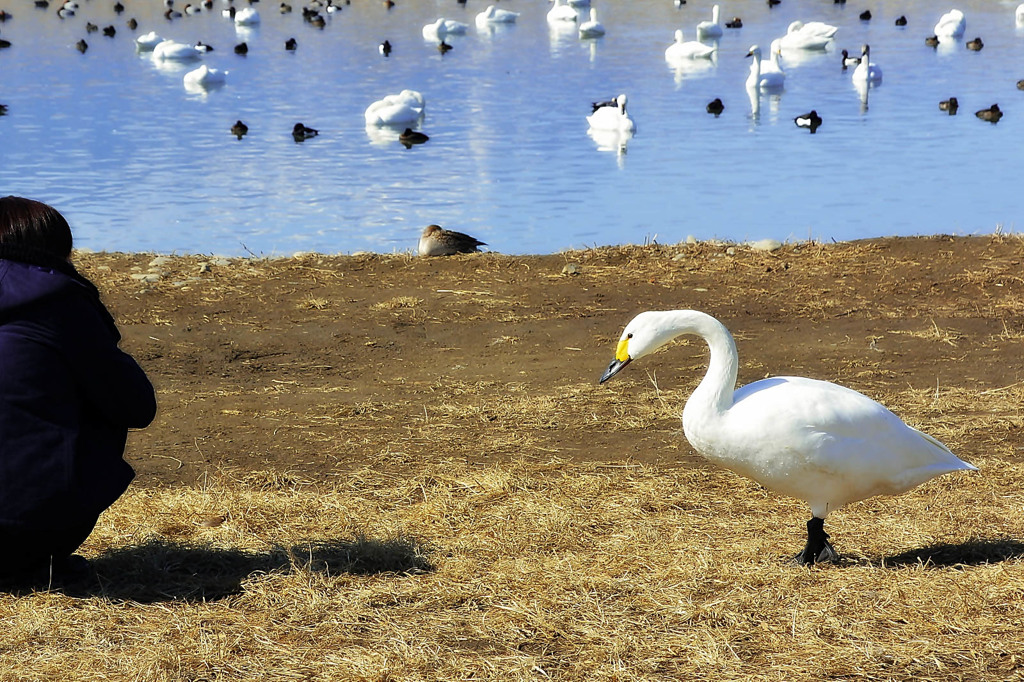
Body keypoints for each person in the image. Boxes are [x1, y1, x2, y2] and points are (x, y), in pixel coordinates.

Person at [0, 196, 157, 585]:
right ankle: (31, 556)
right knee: (96, 396)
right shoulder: (61, 305)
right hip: (23, 532)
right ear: (58, 250)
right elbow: (136, 405)